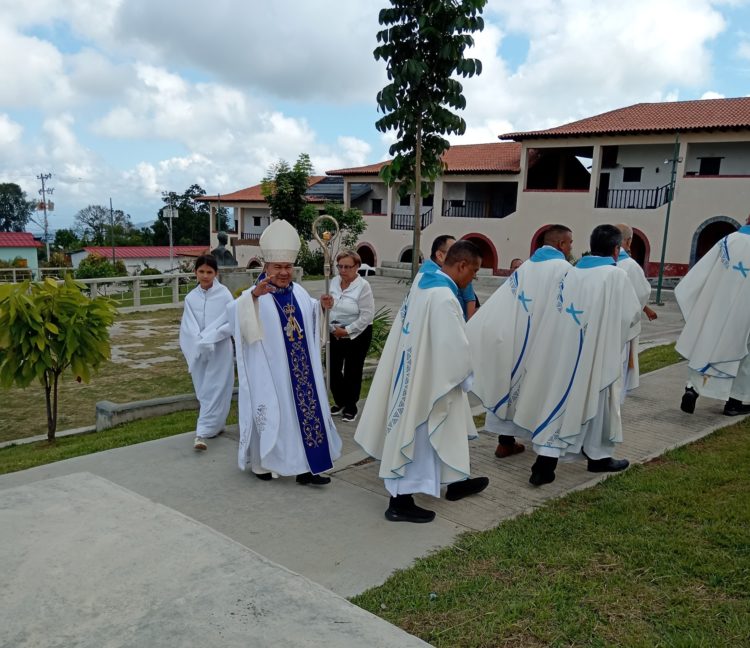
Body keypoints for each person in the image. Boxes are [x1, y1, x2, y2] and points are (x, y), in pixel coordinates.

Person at [355, 241, 489, 523]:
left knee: (438, 432)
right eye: (473, 272)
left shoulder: (423, 285)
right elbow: (455, 349)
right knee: (421, 437)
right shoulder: (443, 297)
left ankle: (455, 479)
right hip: (429, 381)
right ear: (461, 265)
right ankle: (400, 502)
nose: (472, 278)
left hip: (414, 372)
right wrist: (467, 378)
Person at [201, 219, 342, 484]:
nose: (284, 272)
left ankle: (305, 469)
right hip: (271, 373)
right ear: (266, 267)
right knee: (273, 414)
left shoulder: (298, 292)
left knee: (302, 416)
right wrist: (253, 296)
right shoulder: (256, 295)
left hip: (301, 375)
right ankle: (262, 463)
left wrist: (321, 307)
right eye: (278, 266)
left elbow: (310, 318)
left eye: (287, 266)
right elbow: (234, 316)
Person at [512, 225, 642, 486]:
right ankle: (594, 457)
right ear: (617, 249)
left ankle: (551, 463)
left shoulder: (571, 272)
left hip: (564, 349)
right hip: (595, 352)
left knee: (560, 401)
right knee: (595, 402)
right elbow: (631, 314)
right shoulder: (614, 275)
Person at [467, 225, 573, 459]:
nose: (571, 247)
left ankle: (505, 442)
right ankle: (543, 444)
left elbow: (505, 301)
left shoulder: (525, 267)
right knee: (540, 390)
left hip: (515, 339)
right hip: (544, 344)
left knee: (508, 384)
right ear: (561, 244)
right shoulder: (565, 270)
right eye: (570, 243)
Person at [677, 214, 750, 416]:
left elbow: (700, 274)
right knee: (743, 357)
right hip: (743, 315)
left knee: (705, 346)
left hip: (716, 308)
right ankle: (734, 402)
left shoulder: (728, 241)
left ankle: (692, 389)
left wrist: (699, 305)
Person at [179, 254, 235, 451]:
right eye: (201, 271)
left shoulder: (225, 295)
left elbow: (231, 322)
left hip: (220, 350)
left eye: (209, 272)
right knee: (203, 389)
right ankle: (216, 425)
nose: (205, 275)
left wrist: (212, 336)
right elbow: (188, 326)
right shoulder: (190, 298)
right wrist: (199, 340)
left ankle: (201, 432)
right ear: (195, 273)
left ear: (216, 273)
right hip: (199, 351)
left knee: (218, 387)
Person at [321, 250, 375, 423]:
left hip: (357, 333)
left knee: (353, 370)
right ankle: (341, 401)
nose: (343, 270)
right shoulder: (333, 282)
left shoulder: (363, 286)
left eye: (347, 267)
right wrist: (329, 322)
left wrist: (348, 330)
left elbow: (367, 315)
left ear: (357, 267)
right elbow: (326, 306)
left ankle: (351, 406)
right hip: (334, 331)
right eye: (340, 266)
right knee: (331, 367)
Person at [615, 224, 657, 401]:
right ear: (628, 241)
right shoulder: (630, 266)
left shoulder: (600, 262)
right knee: (619, 365)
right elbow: (641, 293)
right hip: (622, 327)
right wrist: (641, 307)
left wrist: (645, 308)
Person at [420, 234, 478, 319]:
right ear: (440, 256)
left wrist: (469, 326)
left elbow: (470, 299)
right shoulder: (428, 273)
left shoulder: (460, 272)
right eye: (454, 253)